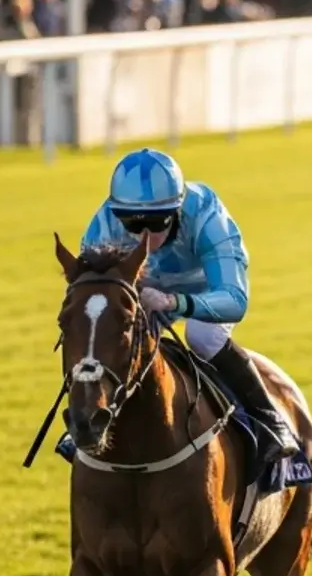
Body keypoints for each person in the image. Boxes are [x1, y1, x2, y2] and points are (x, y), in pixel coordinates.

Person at [56, 147, 297, 465]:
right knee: (110, 336)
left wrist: (173, 301)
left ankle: (269, 421)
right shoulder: (103, 226)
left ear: (178, 211)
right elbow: (93, 303)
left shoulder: (207, 216)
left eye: (157, 223)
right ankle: (86, 415)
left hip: (206, 288)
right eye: (132, 224)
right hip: (143, 291)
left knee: (202, 337)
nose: (144, 235)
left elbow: (234, 300)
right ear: (118, 215)